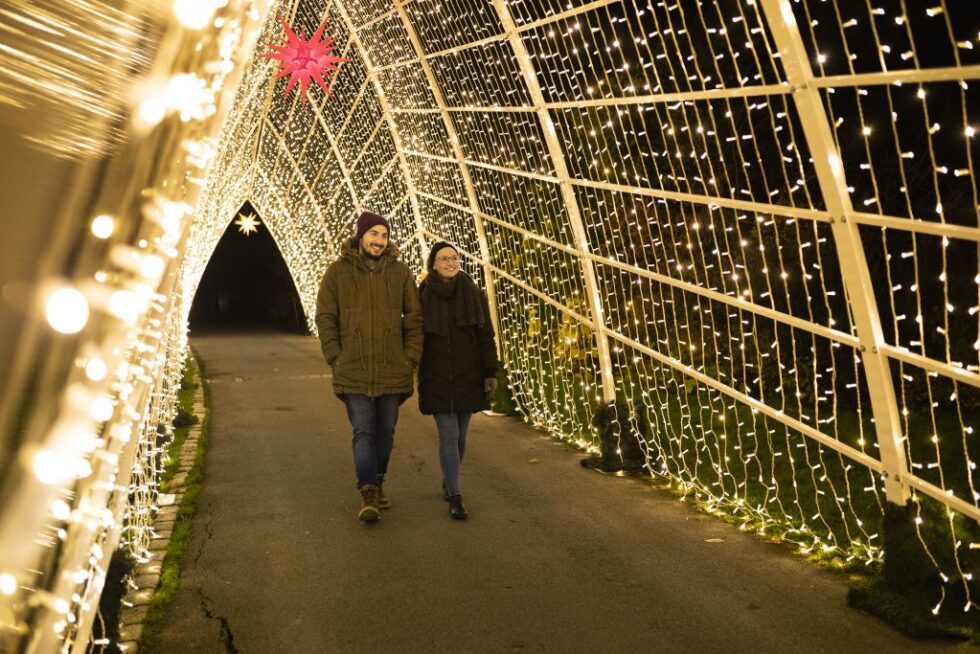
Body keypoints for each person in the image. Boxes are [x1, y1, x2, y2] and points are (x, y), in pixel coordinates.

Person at [315, 210, 423, 523]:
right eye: (373, 234)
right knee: (363, 429)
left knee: (385, 432)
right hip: (353, 369)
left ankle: (378, 480)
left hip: (393, 367)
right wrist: (335, 354)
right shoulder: (338, 272)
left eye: (384, 235)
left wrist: (410, 357)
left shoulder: (400, 272)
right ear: (361, 236)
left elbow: (414, 319)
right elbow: (325, 316)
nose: (378, 241)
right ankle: (368, 491)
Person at [418, 241, 498, 520]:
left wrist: (490, 371)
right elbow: (415, 337)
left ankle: (448, 479)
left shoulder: (473, 292)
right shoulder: (423, 294)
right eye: (444, 259)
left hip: (468, 374)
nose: (451, 263)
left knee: (461, 437)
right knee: (448, 435)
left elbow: (486, 335)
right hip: (436, 376)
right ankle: (456, 496)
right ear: (433, 264)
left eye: (454, 258)